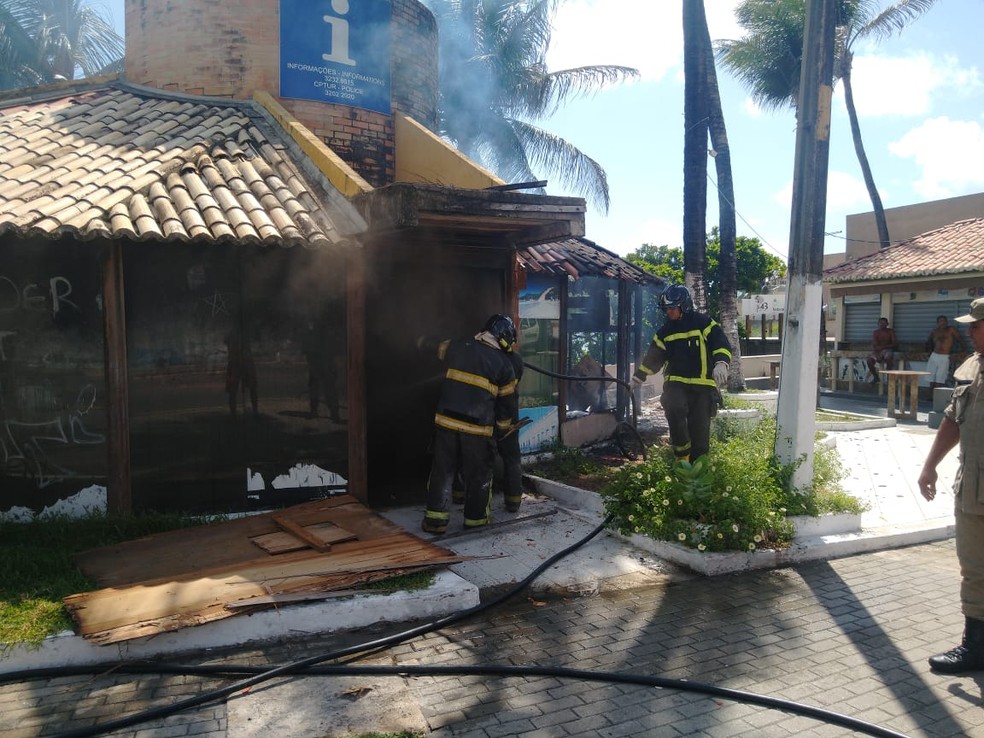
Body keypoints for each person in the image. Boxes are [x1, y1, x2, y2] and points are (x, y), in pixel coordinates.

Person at [917, 297, 984, 674]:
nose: (968, 331)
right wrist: (930, 466)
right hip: (972, 487)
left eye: (975, 325)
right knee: (974, 568)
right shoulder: (971, 366)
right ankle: (975, 647)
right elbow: (953, 420)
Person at [418, 314, 518, 534]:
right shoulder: (504, 365)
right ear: (504, 337)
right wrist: (502, 432)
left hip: (445, 424)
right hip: (478, 431)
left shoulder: (458, 345)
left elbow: (434, 346)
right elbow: (506, 408)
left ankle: (435, 521)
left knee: (442, 472)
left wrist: (421, 339)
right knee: (479, 475)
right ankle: (476, 521)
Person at [632, 285, 731, 463]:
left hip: (703, 386)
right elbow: (653, 358)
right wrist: (637, 377)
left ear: (684, 305)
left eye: (672, 308)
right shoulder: (664, 332)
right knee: (674, 407)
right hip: (675, 384)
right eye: (666, 309)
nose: (668, 312)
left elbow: (719, 341)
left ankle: (699, 473)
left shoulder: (703, 323)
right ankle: (682, 458)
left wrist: (721, 362)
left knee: (700, 432)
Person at [926, 314, 968, 390]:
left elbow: (960, 339)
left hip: (944, 356)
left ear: (947, 322)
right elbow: (929, 342)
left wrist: (964, 350)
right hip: (934, 355)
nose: (943, 323)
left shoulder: (951, 329)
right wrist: (929, 352)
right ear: (937, 323)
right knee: (930, 376)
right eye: (941, 321)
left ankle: (937, 396)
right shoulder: (934, 331)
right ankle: (931, 396)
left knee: (940, 377)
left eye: (944, 321)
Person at [866, 317, 898, 383]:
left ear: (887, 324)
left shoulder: (890, 331)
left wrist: (883, 347)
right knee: (869, 361)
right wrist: (877, 354)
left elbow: (894, 344)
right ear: (878, 324)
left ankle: (889, 378)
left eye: (884, 323)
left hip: (887, 349)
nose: (882, 324)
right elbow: (874, 345)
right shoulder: (876, 332)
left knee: (888, 358)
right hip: (878, 351)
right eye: (880, 323)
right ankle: (875, 377)